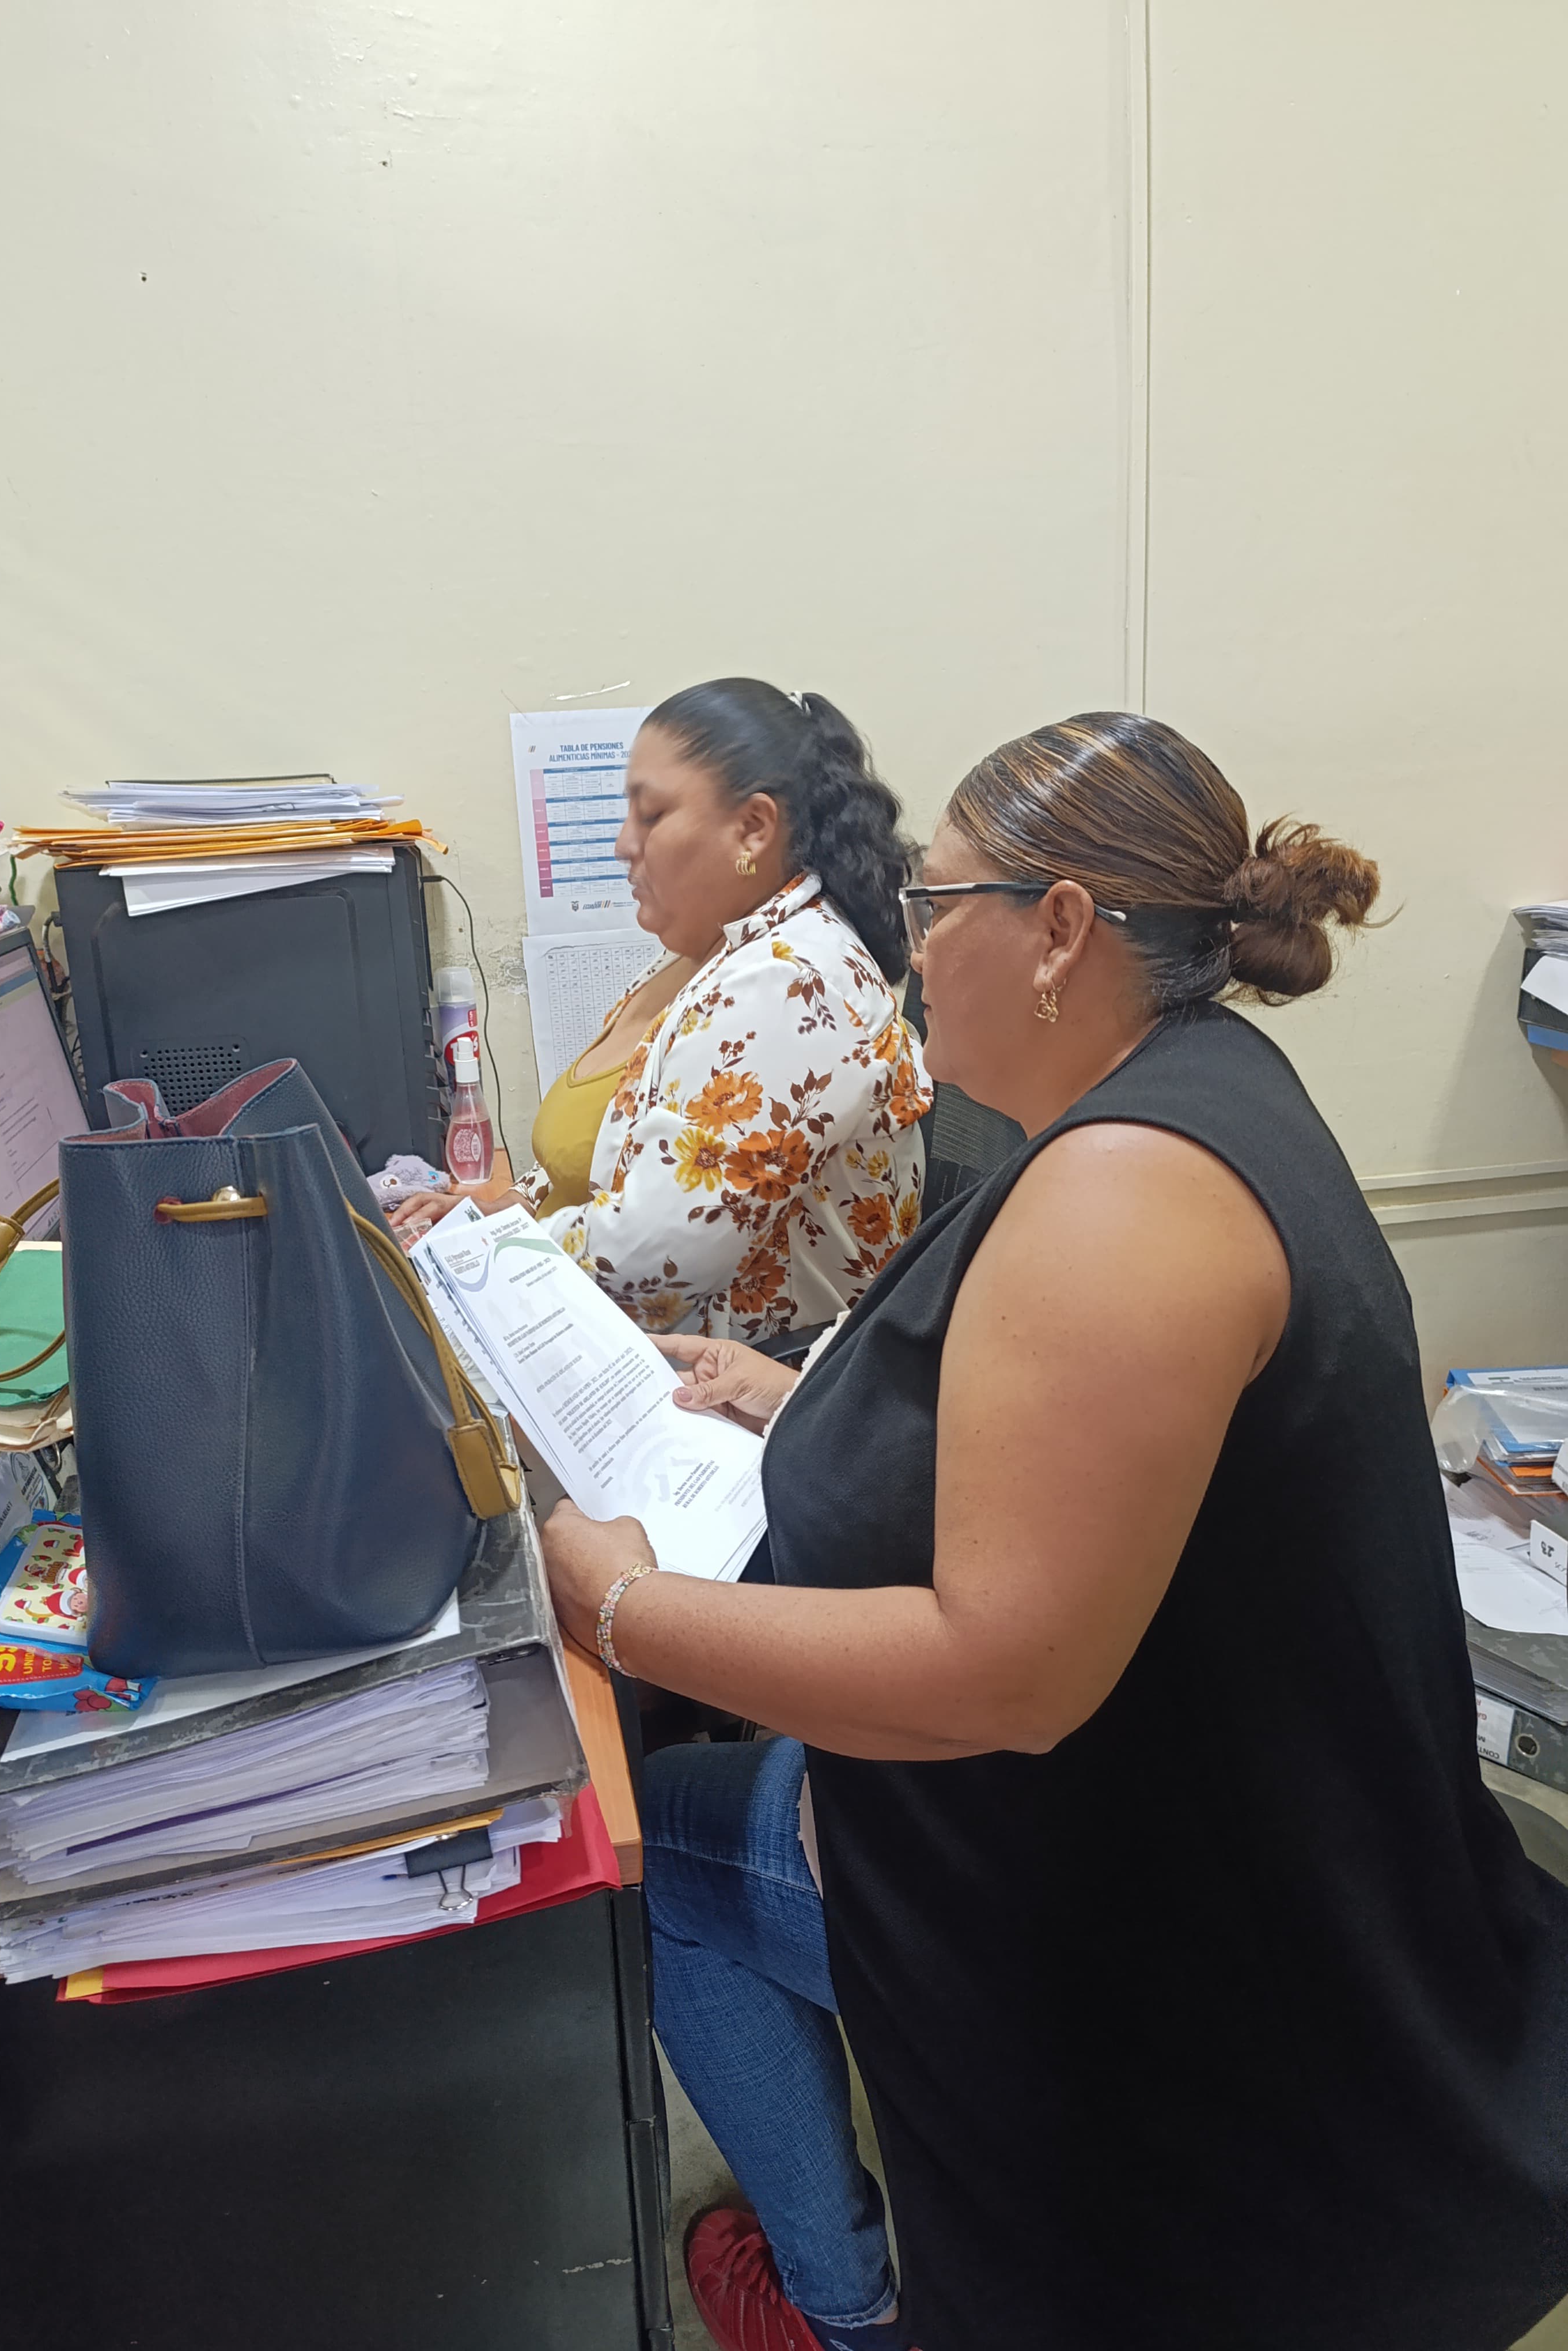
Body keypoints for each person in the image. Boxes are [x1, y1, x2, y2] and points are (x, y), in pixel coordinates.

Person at [541, 712, 1568, 2351]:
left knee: (643, 1858)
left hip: (1164, 1941)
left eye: (936, 905)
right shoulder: (1183, 1098)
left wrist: (622, 1604)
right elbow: (1048, 1436)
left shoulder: (1121, 1191)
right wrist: (795, 1397)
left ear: (1061, 928)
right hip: (1205, 1837)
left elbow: (1001, 1671)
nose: (908, 947)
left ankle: (841, 2306)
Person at [394, 678, 930, 1339]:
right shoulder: (708, 955)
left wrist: (473, 1257)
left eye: (651, 815)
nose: (624, 843)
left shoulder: (793, 983)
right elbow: (601, 1162)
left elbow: (648, 1271)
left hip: (736, 1382)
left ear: (753, 829)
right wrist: (496, 1210)